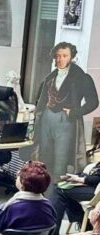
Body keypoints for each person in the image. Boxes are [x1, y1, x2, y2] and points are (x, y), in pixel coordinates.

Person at [33, 42, 98, 181]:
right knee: (44, 156)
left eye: (64, 56)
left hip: (66, 120)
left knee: (61, 159)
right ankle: (42, 186)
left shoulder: (81, 77)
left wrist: (75, 112)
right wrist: (38, 116)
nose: (60, 59)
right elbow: (41, 100)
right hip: (46, 118)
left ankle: (57, 189)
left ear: (71, 57)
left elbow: (93, 102)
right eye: (57, 56)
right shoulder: (50, 77)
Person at [49, 160, 100, 235]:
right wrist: (78, 177)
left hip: (97, 191)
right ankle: (86, 225)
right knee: (60, 188)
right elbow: (94, 174)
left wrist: (80, 179)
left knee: (60, 191)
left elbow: (97, 178)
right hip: (93, 187)